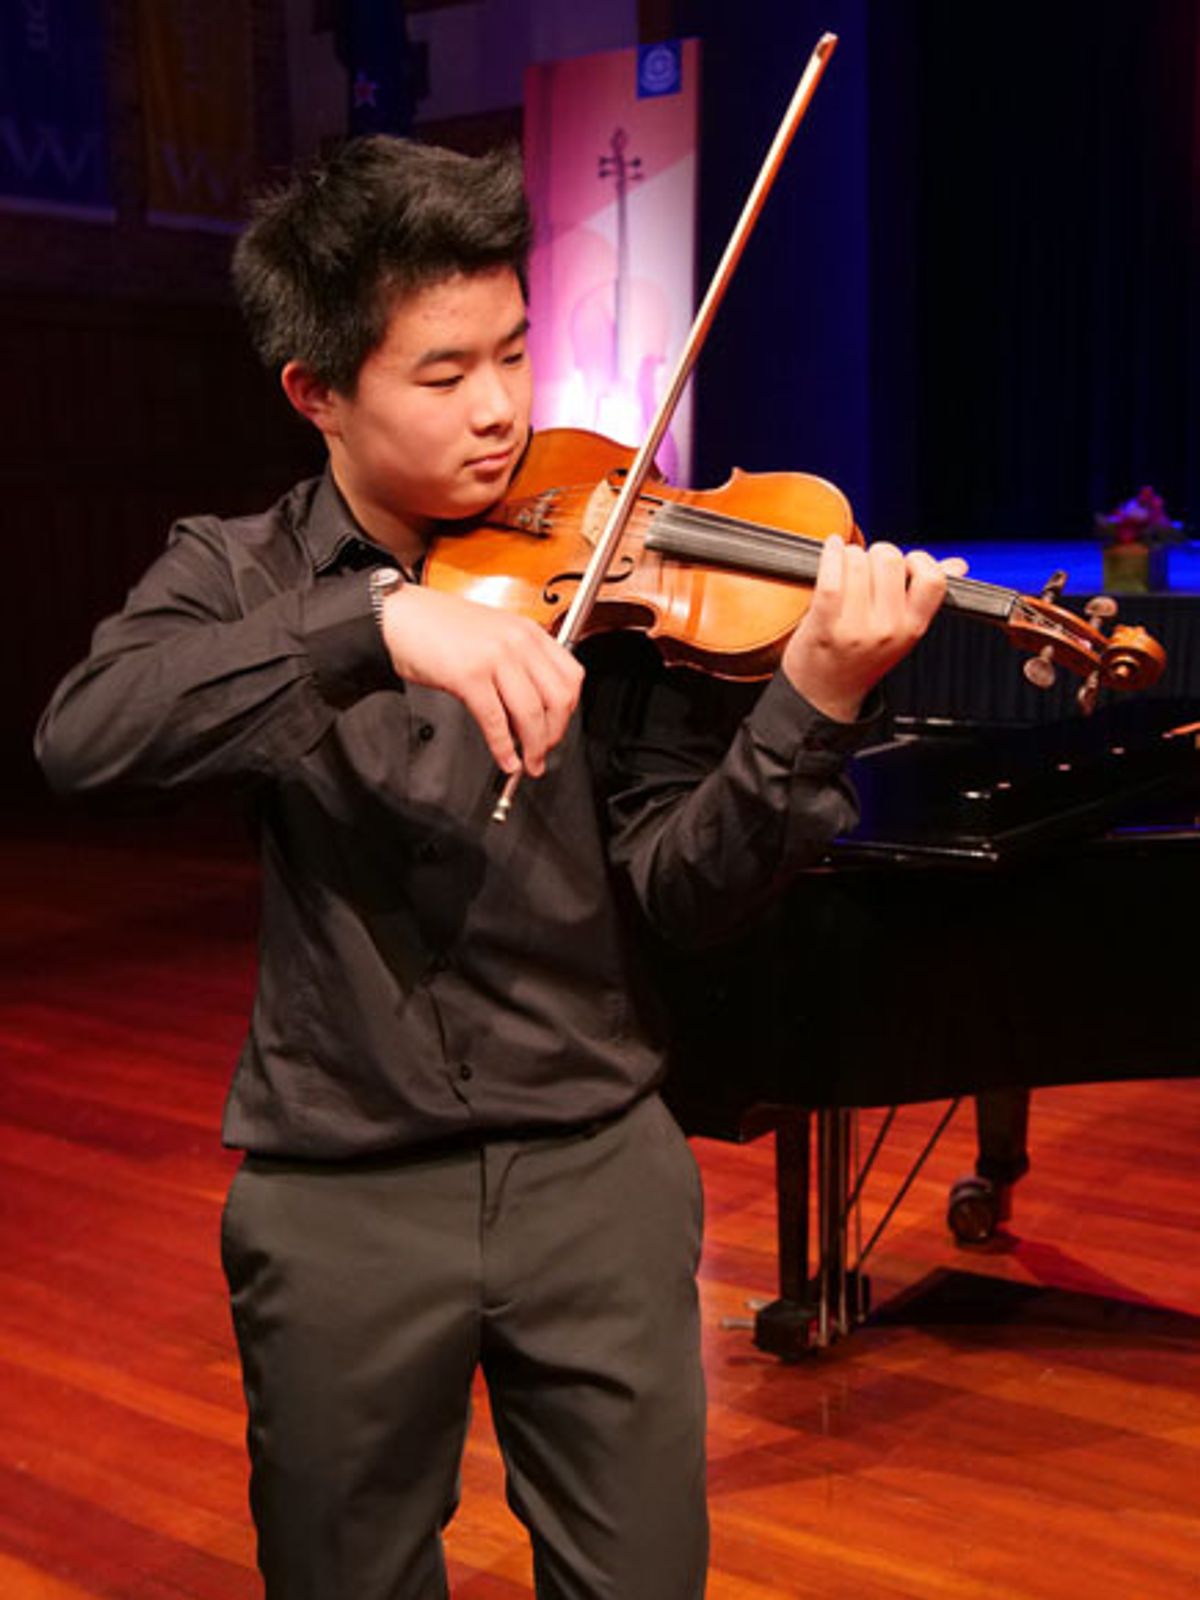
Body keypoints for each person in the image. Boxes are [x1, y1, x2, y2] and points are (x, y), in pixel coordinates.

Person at [36, 136, 963, 1599]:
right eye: (443, 371)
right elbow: (86, 738)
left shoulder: (616, 557)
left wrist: (813, 704)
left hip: (597, 1168)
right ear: (316, 393)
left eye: (515, 352)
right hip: (339, 1186)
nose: (499, 408)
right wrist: (372, 625)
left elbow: (683, 893)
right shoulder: (237, 573)